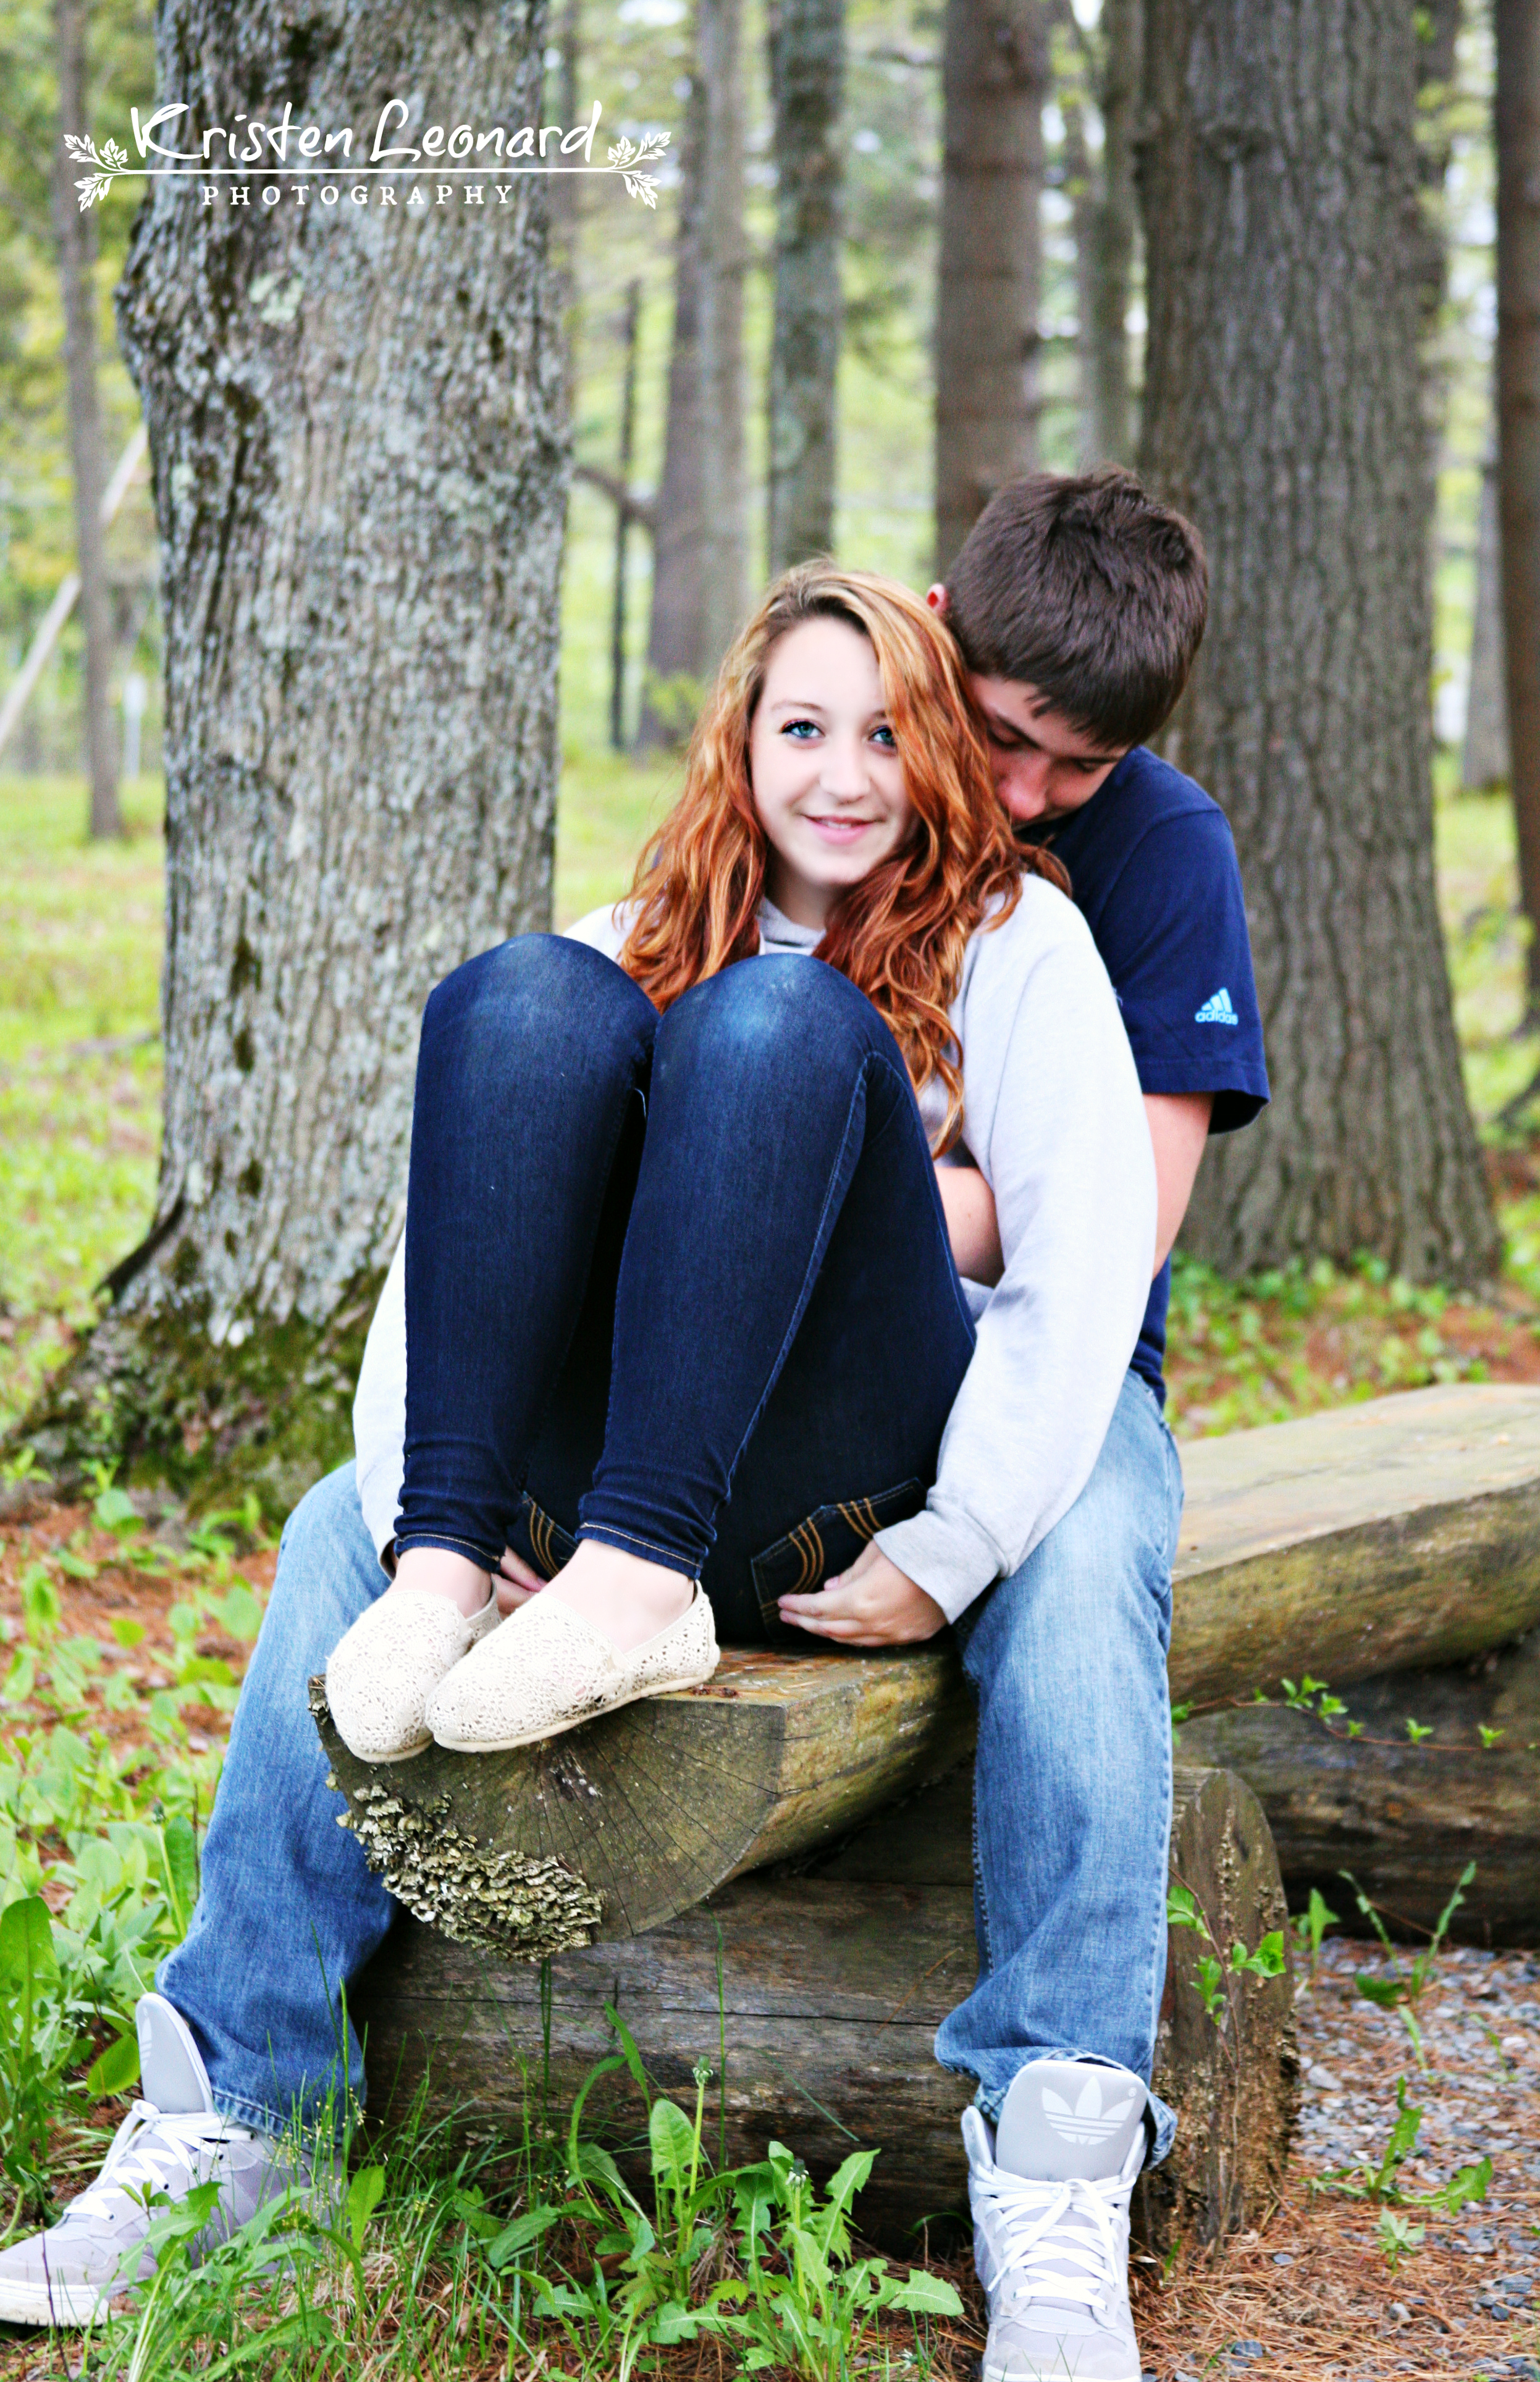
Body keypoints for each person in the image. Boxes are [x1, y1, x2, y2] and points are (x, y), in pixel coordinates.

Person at [0, 563, 1159, 2377]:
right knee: (523, 1009)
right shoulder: (641, 927)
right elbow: (443, 1268)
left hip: (844, 1494)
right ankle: (243, 2117)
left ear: (937, 746)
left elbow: (1083, 1276)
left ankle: (1063, 2188)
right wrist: (424, 1536)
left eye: (883, 731)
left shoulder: (1019, 944)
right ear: (741, 739)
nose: (842, 772)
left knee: (777, 1035)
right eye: (801, 727)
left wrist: (953, 1547)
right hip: (604, 1504)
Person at [920, 469, 1269, 2382]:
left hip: (1061, 1365)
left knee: (1075, 1577)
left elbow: (1116, 1230)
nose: (1037, 795)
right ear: (939, 640)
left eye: (1081, 767)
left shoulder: (1163, 849)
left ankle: (1059, 2167)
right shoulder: (839, 767)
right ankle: (248, 2088)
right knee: (353, 1524)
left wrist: (885, 1186)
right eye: (1007, 745)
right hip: (800, 1367)